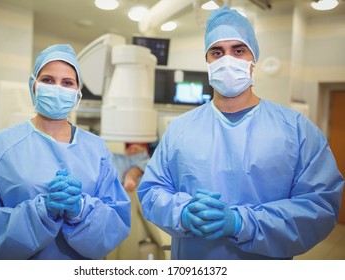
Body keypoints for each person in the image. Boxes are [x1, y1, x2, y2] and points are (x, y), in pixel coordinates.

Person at [137, 5, 344, 260]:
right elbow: (152, 191)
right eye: (217, 52)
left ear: (253, 58)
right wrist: (182, 213)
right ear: (207, 60)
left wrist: (239, 222)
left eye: (238, 50)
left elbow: (319, 207)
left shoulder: (297, 130)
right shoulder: (180, 129)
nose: (227, 59)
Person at [0, 44, 131, 260]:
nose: (57, 88)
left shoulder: (96, 149)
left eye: (67, 83)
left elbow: (117, 223)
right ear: (34, 86)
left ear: (77, 94)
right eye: (48, 80)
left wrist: (81, 210)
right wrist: (39, 214)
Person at [106, 143, 166, 260]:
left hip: (127, 194)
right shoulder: (103, 150)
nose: (133, 150)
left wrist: (130, 177)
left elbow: (140, 167)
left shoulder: (142, 155)